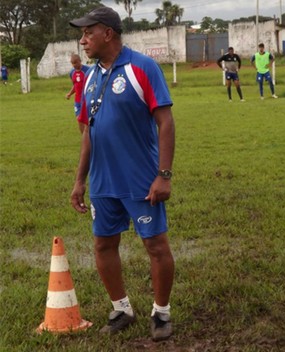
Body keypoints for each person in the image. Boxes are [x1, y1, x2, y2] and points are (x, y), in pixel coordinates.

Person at [69, 6, 175, 342]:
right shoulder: (89, 77)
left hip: (140, 178)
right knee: (103, 244)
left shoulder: (142, 67)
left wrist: (164, 175)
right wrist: (80, 180)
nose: (83, 40)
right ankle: (122, 308)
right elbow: (88, 132)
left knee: (155, 246)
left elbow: (165, 122)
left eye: (88, 33)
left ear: (108, 34)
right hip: (103, 181)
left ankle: (161, 313)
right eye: (82, 34)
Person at [65, 54, 90, 133]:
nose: (74, 65)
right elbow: (75, 86)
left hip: (86, 100)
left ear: (80, 61)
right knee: (79, 119)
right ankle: (84, 137)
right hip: (77, 100)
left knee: (87, 121)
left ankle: (90, 136)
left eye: (75, 62)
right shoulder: (72, 73)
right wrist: (69, 93)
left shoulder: (87, 71)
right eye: (72, 63)